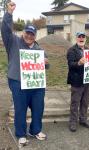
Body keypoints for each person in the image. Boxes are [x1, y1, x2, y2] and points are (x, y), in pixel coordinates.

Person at [1, 1, 49, 147]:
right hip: (18, 82)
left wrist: (46, 63)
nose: (29, 36)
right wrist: (9, 13)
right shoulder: (13, 41)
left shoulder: (39, 49)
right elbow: (5, 29)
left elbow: (46, 66)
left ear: (35, 36)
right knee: (20, 108)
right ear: (23, 33)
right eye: (27, 33)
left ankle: (35, 130)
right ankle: (21, 134)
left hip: (36, 84)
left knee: (38, 107)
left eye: (32, 34)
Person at [67, 32, 89, 132]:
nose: (81, 38)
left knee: (85, 102)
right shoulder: (71, 50)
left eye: (83, 37)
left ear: (85, 38)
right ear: (76, 38)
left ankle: (83, 120)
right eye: (79, 37)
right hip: (77, 81)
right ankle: (73, 122)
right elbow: (71, 65)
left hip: (87, 81)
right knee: (75, 103)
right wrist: (79, 62)